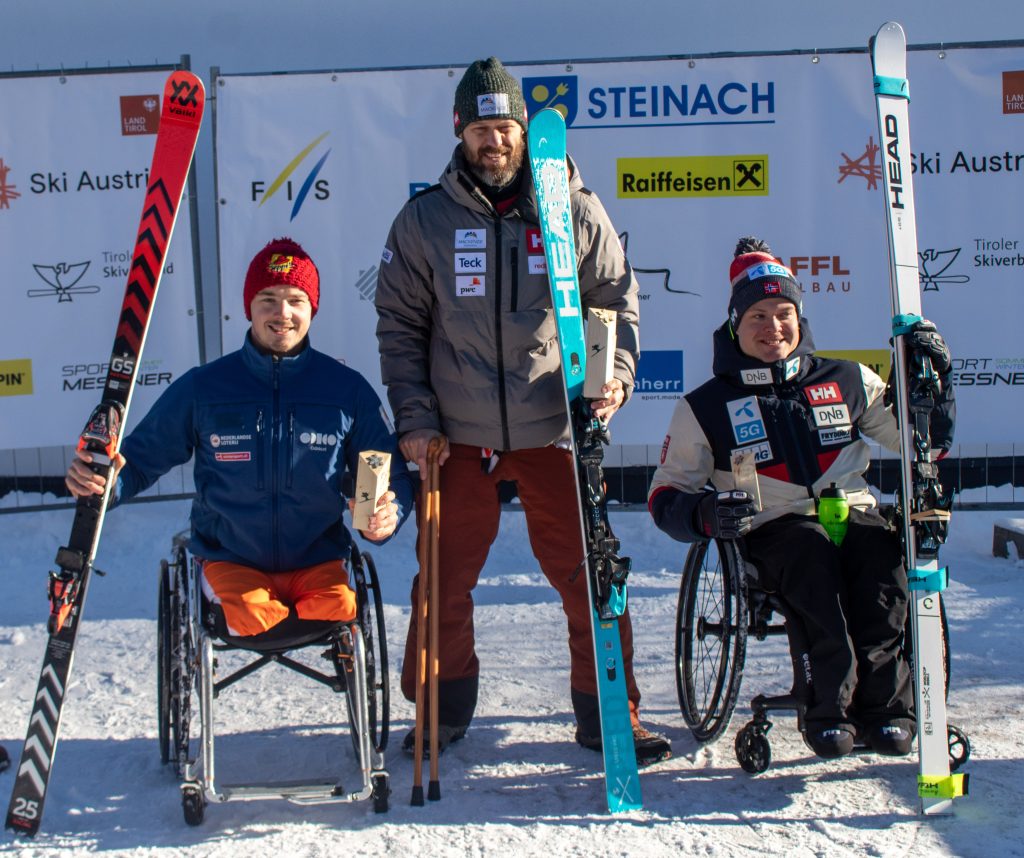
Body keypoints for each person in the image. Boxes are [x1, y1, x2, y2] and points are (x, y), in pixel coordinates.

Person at [374, 57, 670, 765]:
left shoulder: (572, 207)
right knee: (441, 579)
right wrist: (416, 421)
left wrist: (614, 378)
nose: (494, 141)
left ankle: (608, 711)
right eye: (480, 128)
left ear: (523, 131)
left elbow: (614, 303)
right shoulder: (425, 220)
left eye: (504, 126)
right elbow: (399, 327)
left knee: (589, 572)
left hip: (554, 426)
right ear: (459, 131)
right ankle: (440, 710)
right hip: (456, 431)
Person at [648, 236, 955, 759]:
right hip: (774, 528)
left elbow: (921, 442)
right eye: (758, 316)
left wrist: (936, 384)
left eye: (784, 313)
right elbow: (665, 493)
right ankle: (829, 712)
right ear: (734, 326)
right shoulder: (706, 405)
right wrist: (702, 513)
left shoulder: (848, 378)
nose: (773, 328)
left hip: (853, 512)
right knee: (813, 564)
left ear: (800, 317)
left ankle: (887, 711)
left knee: (882, 566)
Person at [66, 237, 413, 638]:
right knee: (249, 614)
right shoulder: (205, 387)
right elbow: (140, 460)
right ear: (248, 306)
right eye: (268, 298)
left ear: (312, 309)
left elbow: (395, 475)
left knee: (338, 607)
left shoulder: (347, 390)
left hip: (318, 561)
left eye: (295, 300)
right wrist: (103, 484)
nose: (282, 312)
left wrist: (391, 513)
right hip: (231, 561)